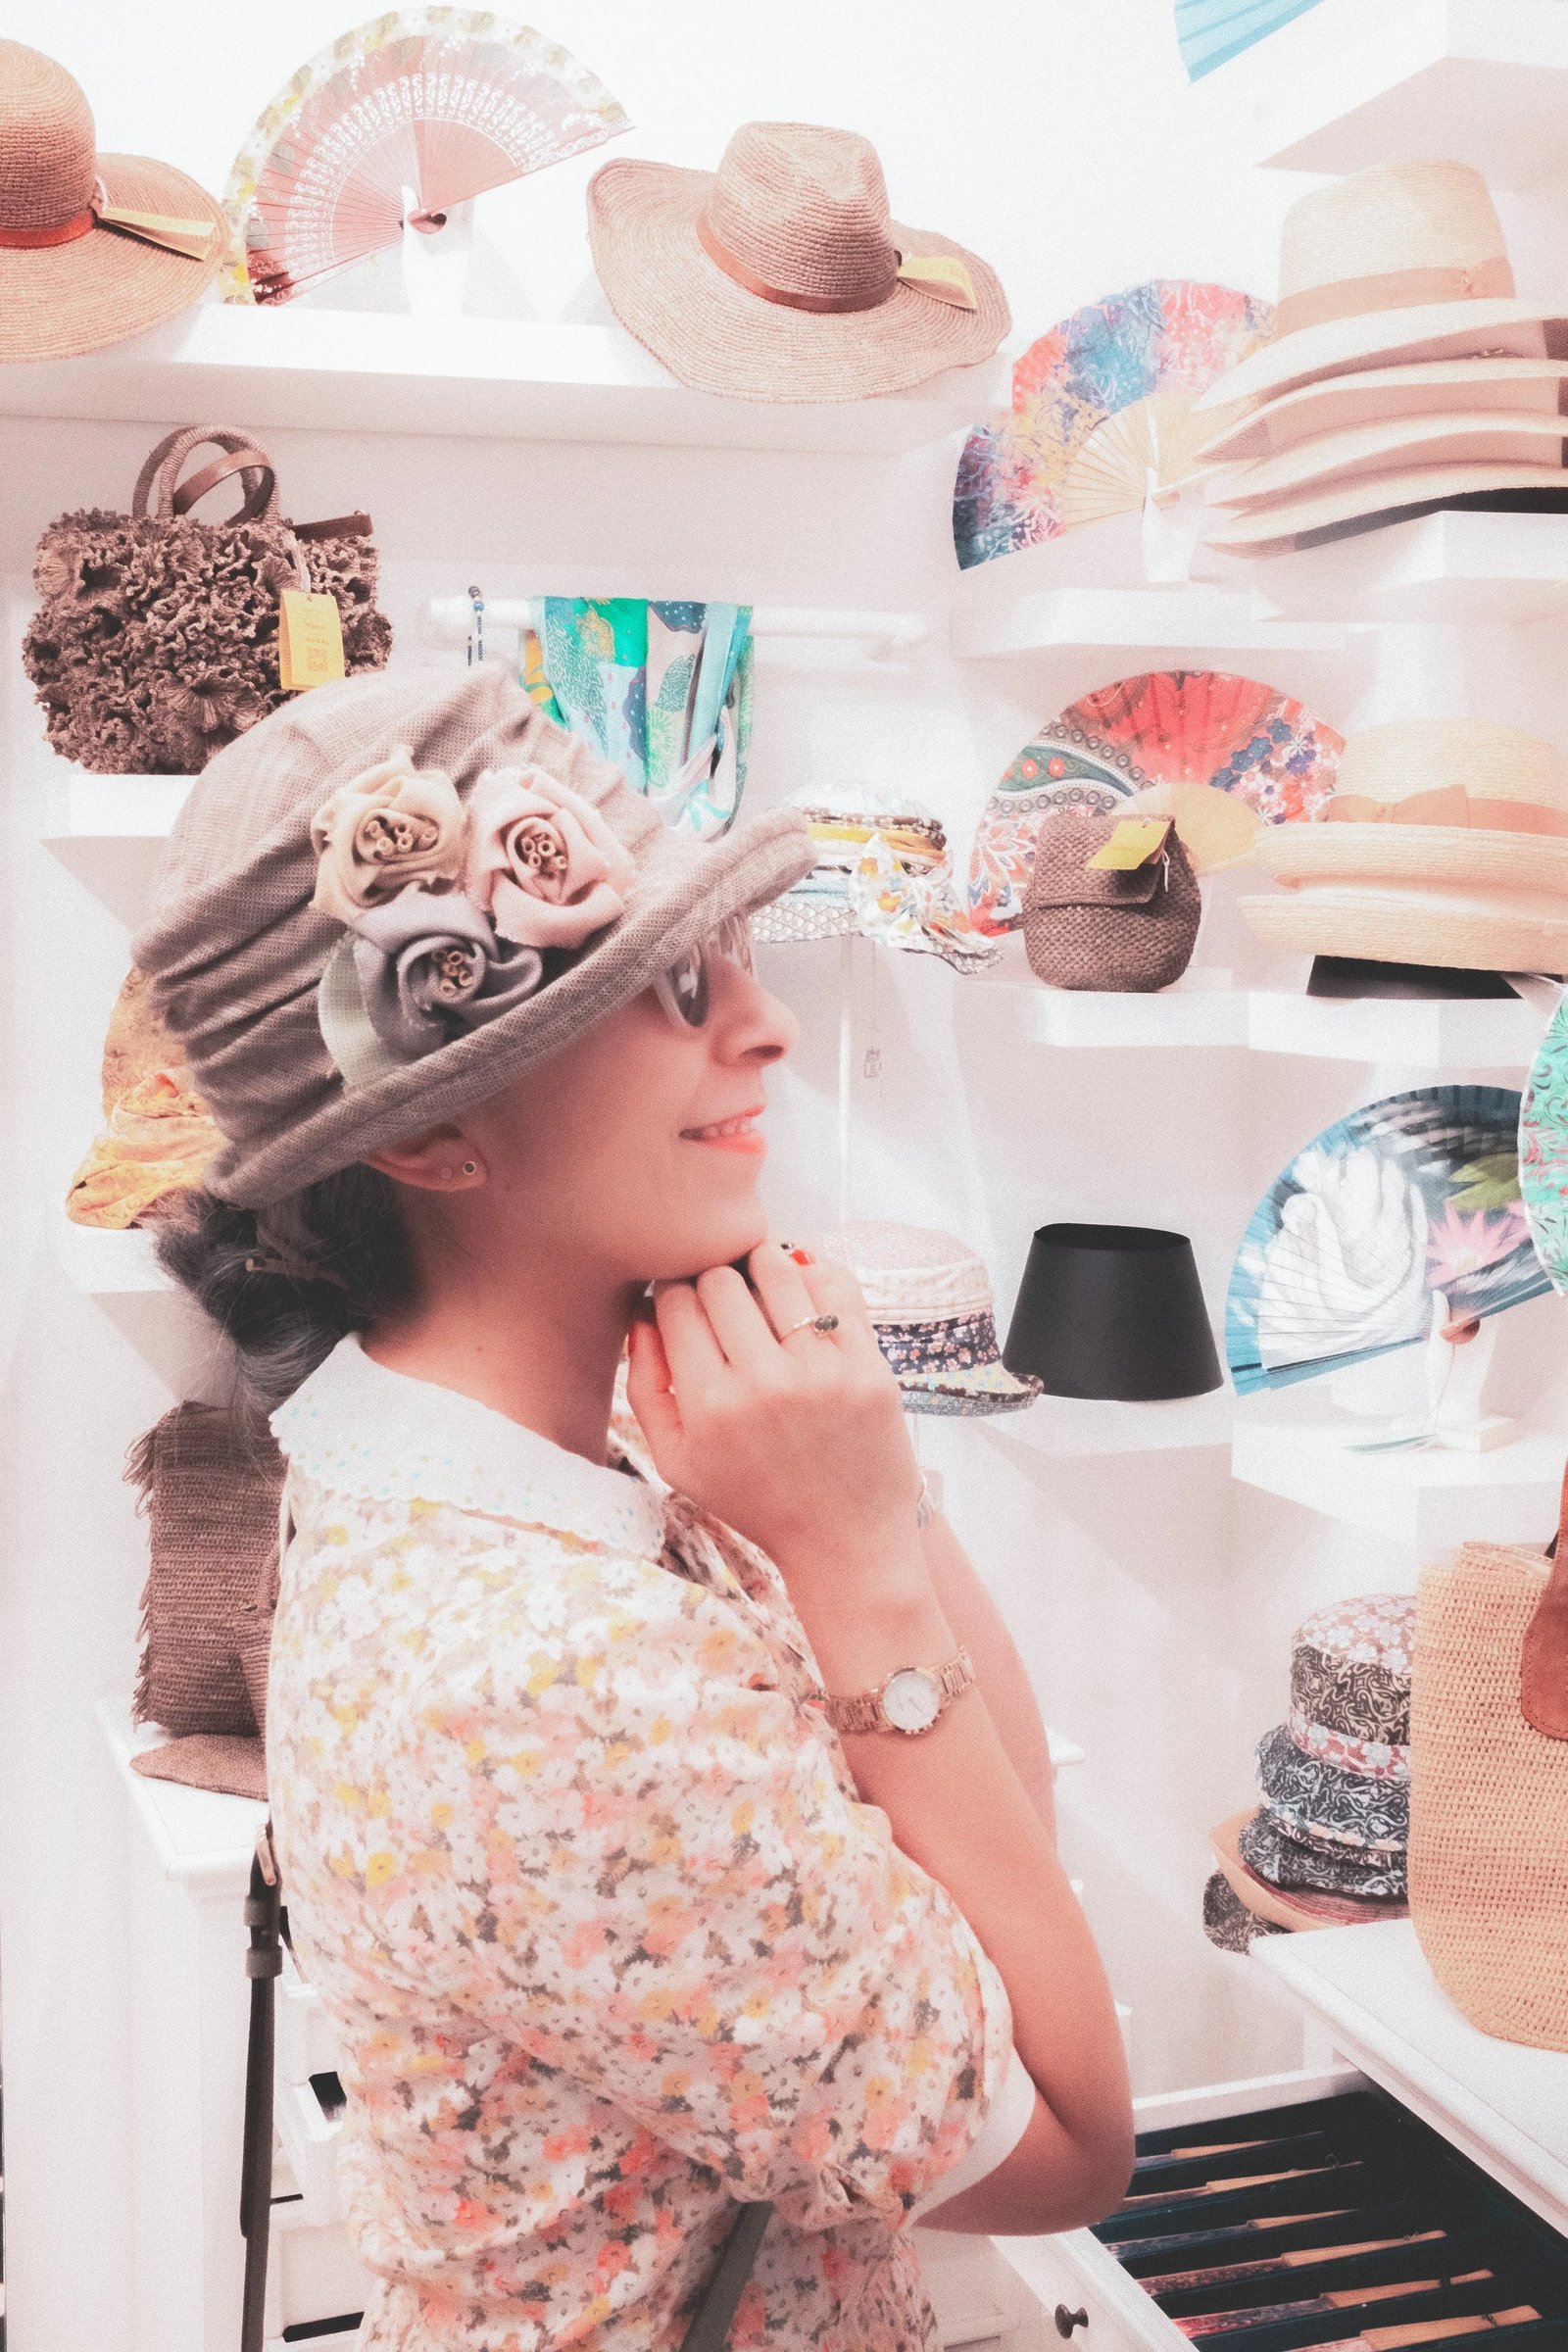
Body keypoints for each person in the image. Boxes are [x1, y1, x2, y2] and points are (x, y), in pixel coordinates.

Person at [137, 666, 1133, 2351]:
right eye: (672, 982)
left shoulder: (560, 1448)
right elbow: (1069, 2146)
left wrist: (866, 1495)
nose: (768, 1025)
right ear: (432, 1134)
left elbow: (990, 1851)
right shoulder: (552, 1674)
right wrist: (856, 1549)